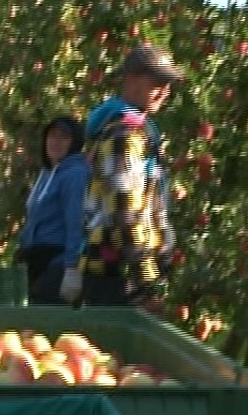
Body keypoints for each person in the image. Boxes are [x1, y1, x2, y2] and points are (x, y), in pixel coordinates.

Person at [78, 44, 182, 309]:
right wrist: (145, 280)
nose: (165, 91)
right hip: (117, 273)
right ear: (131, 79)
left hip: (115, 270)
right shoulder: (124, 137)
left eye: (168, 84)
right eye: (157, 82)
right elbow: (123, 212)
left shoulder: (135, 131)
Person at [16, 114, 88, 305]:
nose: (56, 142)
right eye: (52, 136)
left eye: (64, 137)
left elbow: (76, 222)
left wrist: (72, 268)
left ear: (75, 142)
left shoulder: (75, 174)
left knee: (44, 313)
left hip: (58, 261)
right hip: (36, 259)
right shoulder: (48, 173)